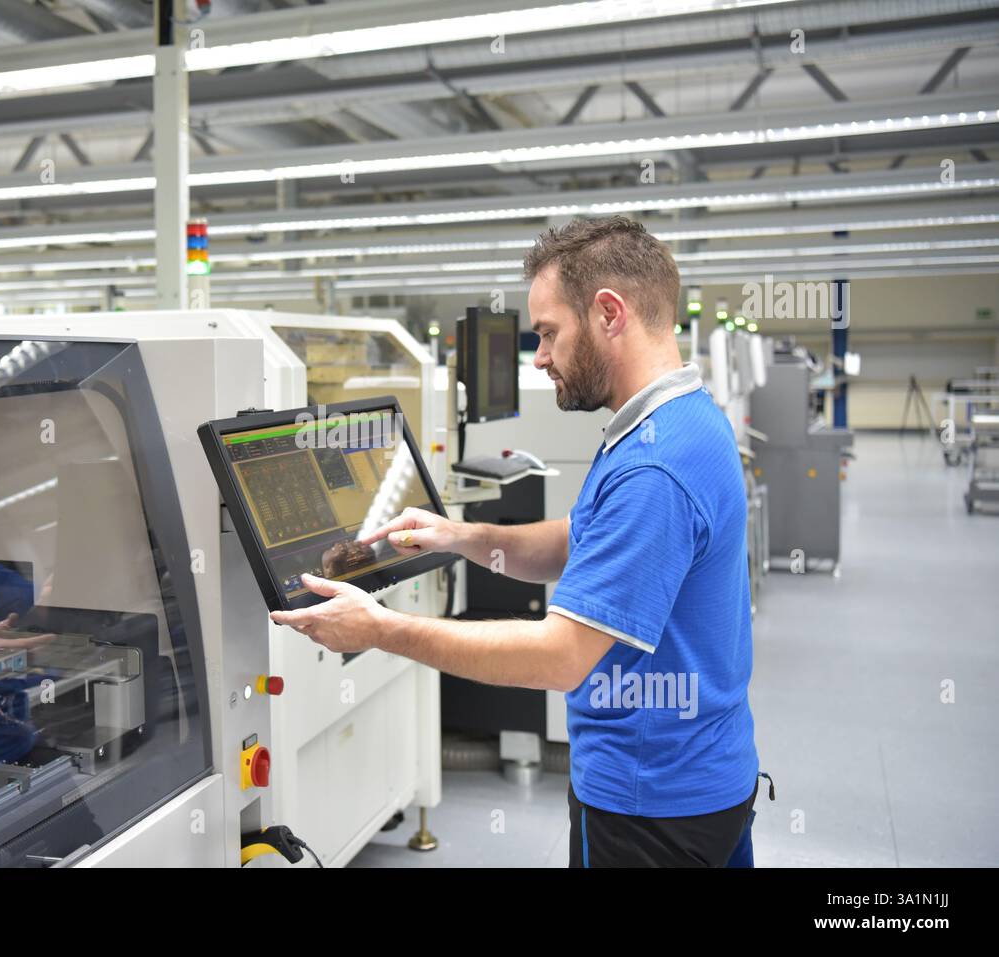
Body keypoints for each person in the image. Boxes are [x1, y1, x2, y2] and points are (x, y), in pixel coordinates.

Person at [271, 216, 760, 867]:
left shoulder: (654, 467)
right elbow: (586, 540)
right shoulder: (682, 419)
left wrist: (380, 628)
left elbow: (560, 656)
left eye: (550, 332)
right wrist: (463, 535)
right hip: (708, 774)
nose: (540, 356)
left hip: (650, 806)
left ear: (609, 313)